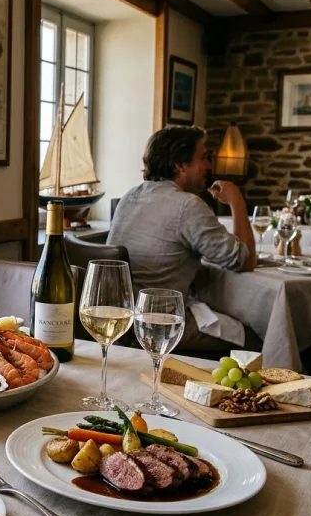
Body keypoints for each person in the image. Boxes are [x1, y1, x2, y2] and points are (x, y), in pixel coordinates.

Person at [107, 125, 259, 352]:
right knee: (259, 336)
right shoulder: (188, 205)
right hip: (160, 325)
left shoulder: (131, 196)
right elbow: (245, 260)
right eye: (203, 158)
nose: (209, 166)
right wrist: (237, 201)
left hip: (122, 321)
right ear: (179, 165)